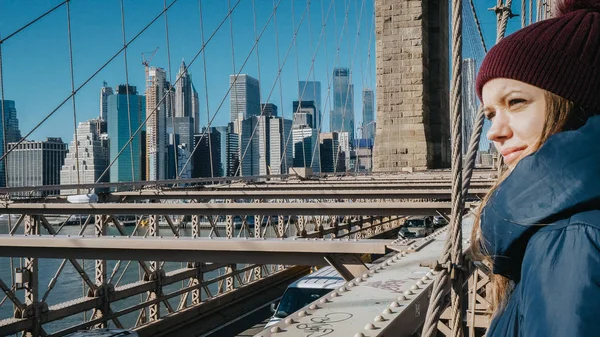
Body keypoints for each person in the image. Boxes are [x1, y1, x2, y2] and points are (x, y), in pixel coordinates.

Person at [472, 0, 600, 336]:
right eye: (490, 114)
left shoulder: (569, 239)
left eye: (515, 102)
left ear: (576, 104)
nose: (494, 132)